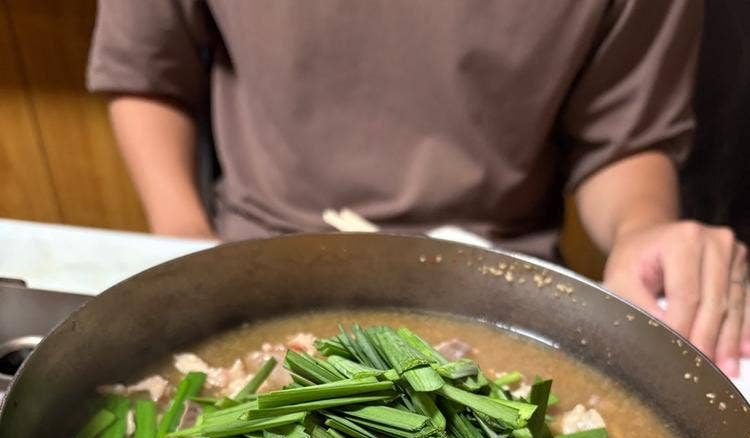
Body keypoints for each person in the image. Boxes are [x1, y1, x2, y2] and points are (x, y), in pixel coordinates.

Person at [87, 0, 749, 376]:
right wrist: (180, 239)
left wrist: (643, 228)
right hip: (258, 258)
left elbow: (624, 136)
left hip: (504, 284)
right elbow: (149, 72)